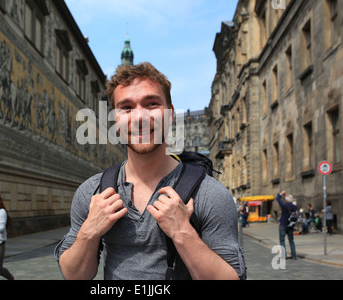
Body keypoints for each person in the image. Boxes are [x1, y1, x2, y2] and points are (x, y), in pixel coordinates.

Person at [55, 62, 246, 280]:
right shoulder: (92, 192)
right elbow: (74, 276)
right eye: (126, 108)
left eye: (152, 104)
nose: (140, 118)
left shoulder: (208, 193)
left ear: (170, 113)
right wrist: (90, 231)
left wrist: (182, 233)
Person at [276, 190, 297, 259]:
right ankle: (294, 255)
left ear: (286, 200)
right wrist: (287, 197)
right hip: (290, 225)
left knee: (282, 240)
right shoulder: (294, 207)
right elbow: (293, 202)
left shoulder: (284, 206)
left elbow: (277, 198)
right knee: (291, 240)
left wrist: (281, 194)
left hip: (283, 225)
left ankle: (284, 255)